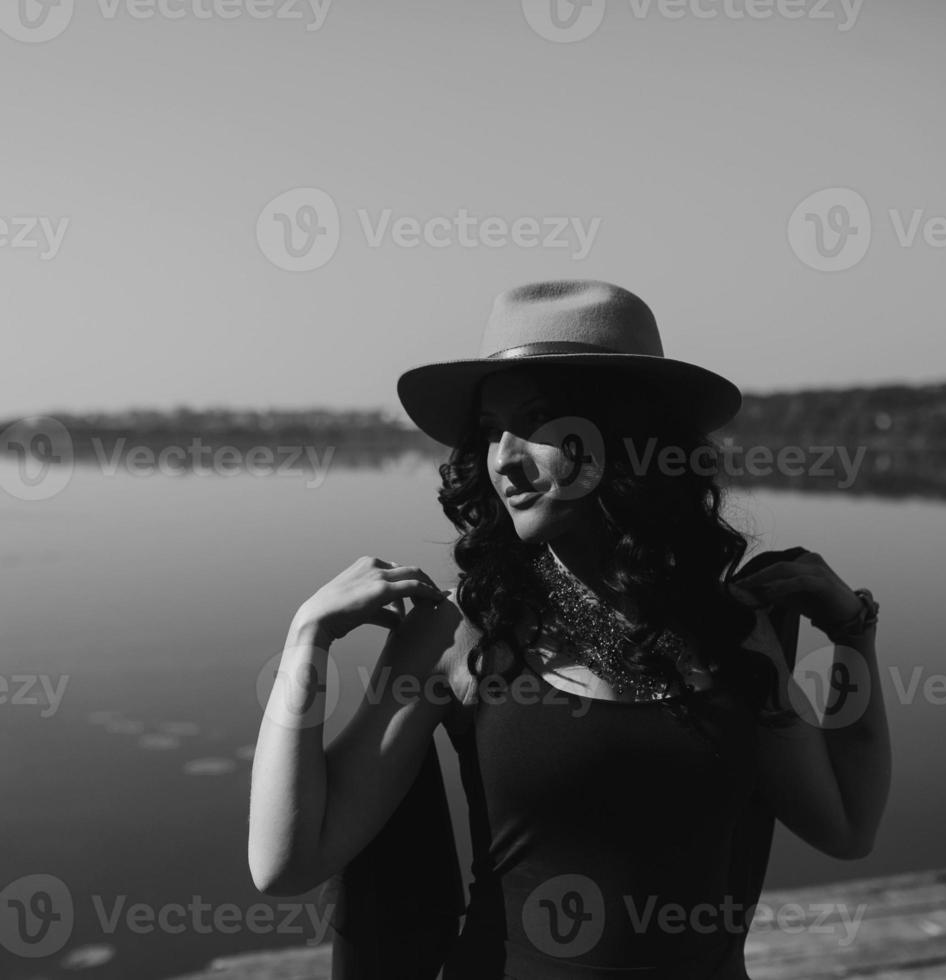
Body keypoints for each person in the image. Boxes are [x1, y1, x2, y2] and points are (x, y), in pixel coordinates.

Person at [249, 281, 891, 978]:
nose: (503, 458)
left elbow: (847, 828)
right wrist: (304, 644)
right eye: (490, 428)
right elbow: (287, 862)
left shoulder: (731, 631)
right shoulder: (461, 634)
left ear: (627, 435)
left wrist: (854, 632)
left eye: (537, 419)